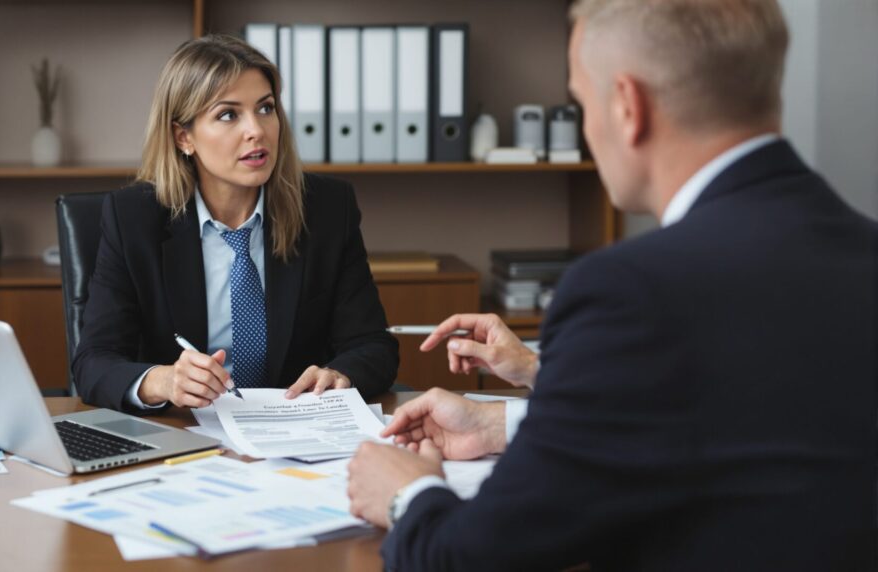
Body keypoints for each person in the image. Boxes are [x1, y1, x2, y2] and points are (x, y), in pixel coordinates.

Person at [346, 0, 877, 569]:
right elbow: (753, 413)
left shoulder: (631, 289)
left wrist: (408, 493)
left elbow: (472, 559)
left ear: (627, 106)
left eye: (580, 103)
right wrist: (509, 419)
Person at [73, 35, 398, 412]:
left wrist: (342, 374)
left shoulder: (326, 209)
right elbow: (93, 363)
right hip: (185, 435)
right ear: (184, 137)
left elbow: (373, 345)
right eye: (229, 114)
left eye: (265, 108)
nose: (256, 130)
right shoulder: (133, 219)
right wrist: (161, 381)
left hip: (294, 433)